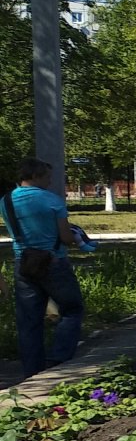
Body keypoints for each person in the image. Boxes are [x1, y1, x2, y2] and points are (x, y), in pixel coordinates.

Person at [2, 158, 87, 377]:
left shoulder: (6, 201)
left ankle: (32, 371)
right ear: (35, 176)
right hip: (53, 262)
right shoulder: (52, 200)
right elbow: (66, 237)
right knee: (72, 308)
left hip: (24, 263)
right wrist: (78, 236)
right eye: (47, 177)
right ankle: (58, 358)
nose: (50, 182)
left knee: (29, 320)